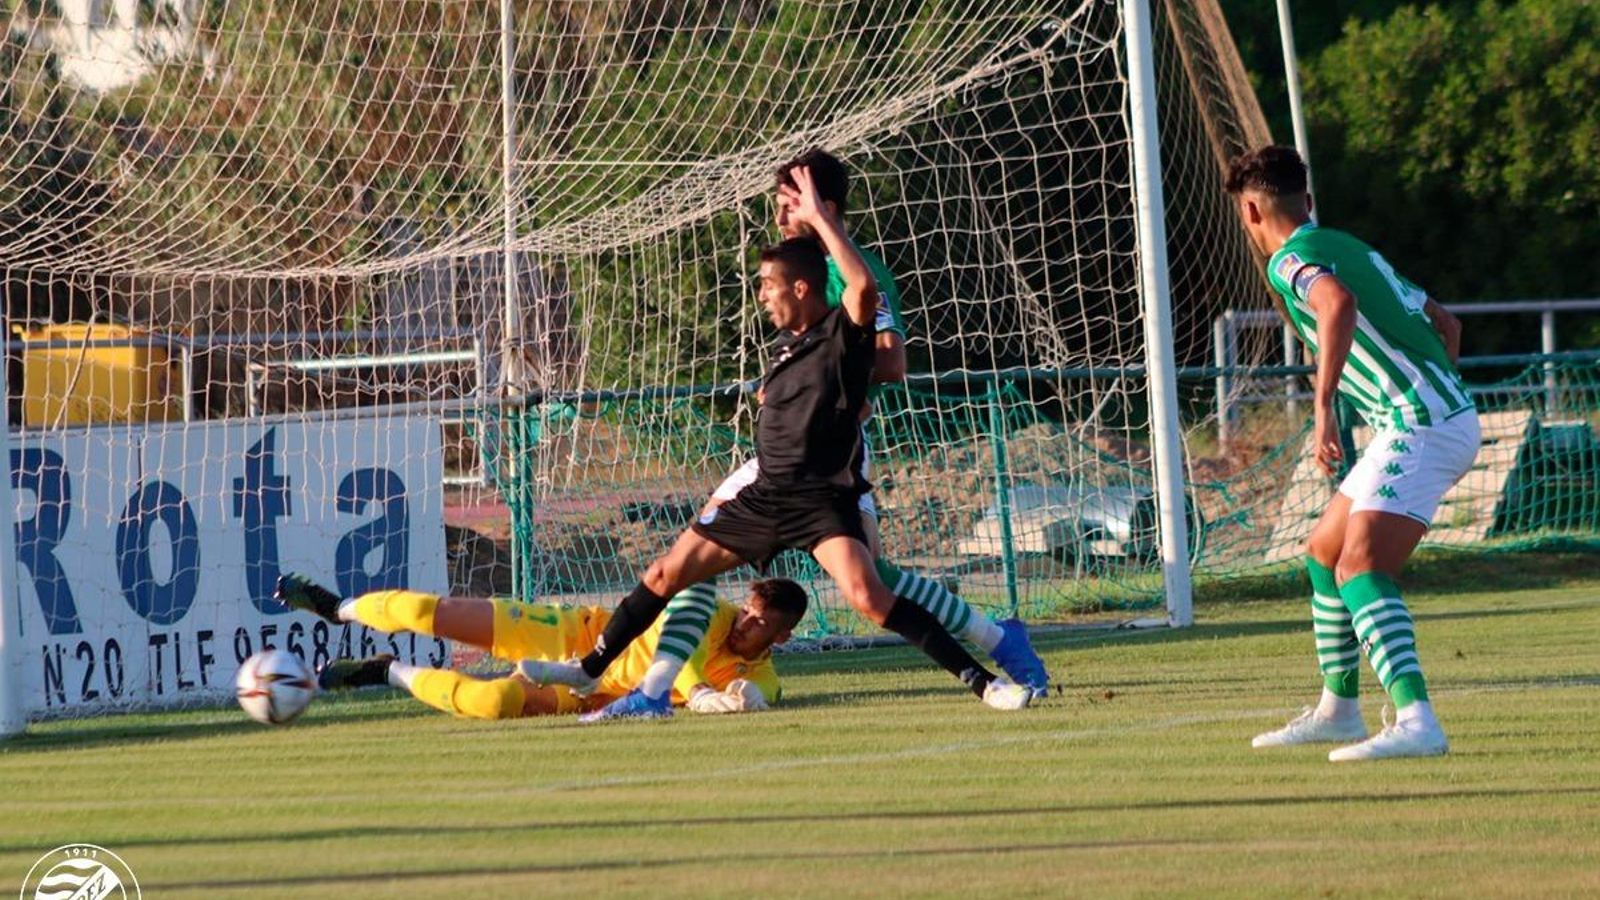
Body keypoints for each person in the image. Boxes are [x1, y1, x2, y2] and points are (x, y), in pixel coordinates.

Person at [542, 163, 1035, 721]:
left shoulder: (842, 328)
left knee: (872, 595)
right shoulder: (787, 342)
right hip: (765, 494)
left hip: (822, 498)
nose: (761, 296)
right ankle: (594, 672)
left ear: (802, 286)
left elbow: (869, 307)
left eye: (768, 286)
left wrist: (824, 223)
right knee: (664, 573)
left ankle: (986, 679)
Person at [1226, 145, 1477, 761]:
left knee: (1360, 566)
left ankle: (1418, 720)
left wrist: (1322, 407)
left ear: (1253, 212)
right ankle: (1339, 711)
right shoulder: (1353, 247)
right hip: (1421, 418)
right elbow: (1448, 325)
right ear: (1306, 203)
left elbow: (1336, 305)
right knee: (1324, 551)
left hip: (1419, 423)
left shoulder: (1290, 261)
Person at [273, 573, 807, 719]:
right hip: (572, 634)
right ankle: (337, 606)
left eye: (759, 625)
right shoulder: (711, 612)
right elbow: (684, 660)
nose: (744, 624)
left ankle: (385, 673)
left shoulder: (764, 675)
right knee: (422, 613)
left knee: (492, 702)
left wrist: (746, 700)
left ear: (781, 636)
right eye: (747, 612)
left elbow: (762, 695)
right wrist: (702, 696)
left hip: (591, 695)